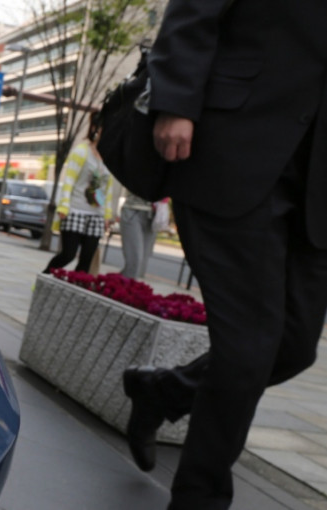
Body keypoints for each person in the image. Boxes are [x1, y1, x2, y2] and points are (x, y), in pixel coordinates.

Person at [122, 1, 327, 509]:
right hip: (233, 149)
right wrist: (175, 101)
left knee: (293, 347)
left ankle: (162, 392)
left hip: (315, 189)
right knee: (247, 350)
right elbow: (195, 9)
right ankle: (200, 497)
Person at [43, 113, 114, 274]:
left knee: (86, 260)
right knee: (68, 254)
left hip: (96, 214)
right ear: (95, 128)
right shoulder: (81, 151)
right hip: (75, 210)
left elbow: (108, 190)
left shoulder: (109, 157)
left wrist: (107, 215)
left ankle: (76, 286)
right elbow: (69, 180)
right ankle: (44, 277)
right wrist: (64, 206)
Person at [119, 191, 158, 279]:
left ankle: (119, 283)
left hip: (153, 214)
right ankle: (118, 285)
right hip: (132, 209)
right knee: (135, 260)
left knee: (141, 267)